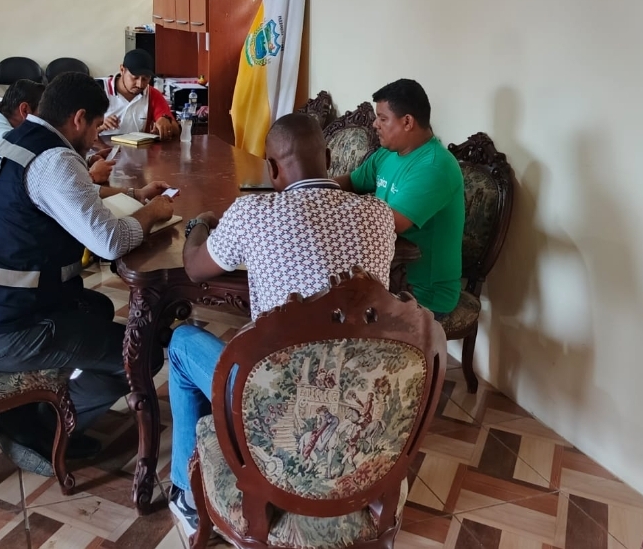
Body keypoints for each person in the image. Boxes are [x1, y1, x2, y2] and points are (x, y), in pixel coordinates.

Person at [166, 113, 395, 535]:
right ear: (328, 159)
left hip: (275, 406)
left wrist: (199, 224)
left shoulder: (252, 213)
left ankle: (186, 492)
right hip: (356, 397)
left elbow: (195, 268)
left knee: (181, 342)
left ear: (272, 169)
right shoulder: (378, 215)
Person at [0, 72, 175, 472]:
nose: (96, 139)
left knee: (96, 308)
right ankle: (48, 433)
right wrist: (152, 213)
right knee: (143, 355)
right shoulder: (55, 159)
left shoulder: (17, 140)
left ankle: (28, 407)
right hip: (3, 332)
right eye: (95, 128)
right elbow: (109, 242)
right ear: (78, 118)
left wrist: (132, 196)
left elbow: (70, 194)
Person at [0, 80, 117, 283]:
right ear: (25, 111)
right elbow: (60, 187)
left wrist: (86, 164)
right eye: (45, 116)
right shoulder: (5, 139)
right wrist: (91, 176)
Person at [334, 78, 465, 316]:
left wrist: (335, 212)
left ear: (407, 122)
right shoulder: (388, 154)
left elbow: (393, 224)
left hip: (420, 294)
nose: (375, 124)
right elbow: (352, 182)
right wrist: (311, 188)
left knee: (332, 317)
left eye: (383, 118)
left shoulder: (434, 167)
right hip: (386, 278)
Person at [98, 49, 180, 140]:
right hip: (101, 147)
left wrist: (166, 122)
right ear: (122, 70)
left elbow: (176, 129)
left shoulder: (152, 94)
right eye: (135, 78)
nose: (140, 84)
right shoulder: (98, 89)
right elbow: (83, 130)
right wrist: (99, 126)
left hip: (138, 148)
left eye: (145, 79)